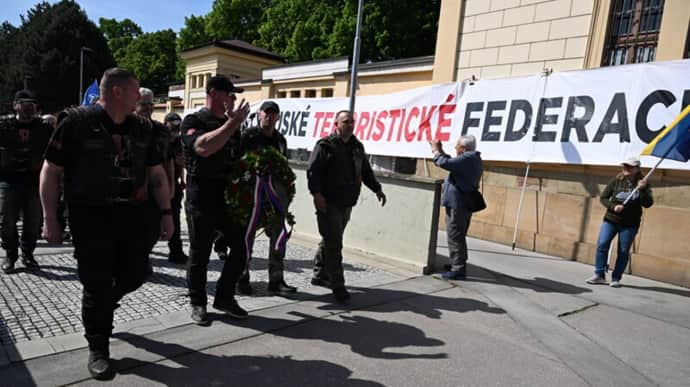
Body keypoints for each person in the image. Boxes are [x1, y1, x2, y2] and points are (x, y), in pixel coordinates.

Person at [40, 68, 173, 380]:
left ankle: (107, 302)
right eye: (135, 90)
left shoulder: (143, 128)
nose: (140, 96)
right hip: (90, 217)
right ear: (117, 92)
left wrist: (167, 214)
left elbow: (156, 175)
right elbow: (50, 169)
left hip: (133, 216)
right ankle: (98, 347)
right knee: (96, 283)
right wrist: (50, 219)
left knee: (139, 273)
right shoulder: (75, 123)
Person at [182, 75, 250, 325]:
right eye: (229, 93)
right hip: (201, 196)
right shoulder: (194, 120)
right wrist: (232, 125)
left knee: (240, 248)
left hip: (226, 197)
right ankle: (198, 302)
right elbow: (204, 147)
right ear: (213, 93)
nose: (233, 99)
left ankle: (224, 296)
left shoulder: (231, 125)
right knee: (200, 252)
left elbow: (237, 160)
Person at [307, 110, 386, 303]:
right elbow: (313, 171)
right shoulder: (325, 145)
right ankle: (338, 285)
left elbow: (365, 171)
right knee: (335, 243)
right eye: (345, 121)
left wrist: (377, 189)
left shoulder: (357, 146)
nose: (349, 124)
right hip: (329, 201)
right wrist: (317, 195)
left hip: (347, 201)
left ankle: (319, 274)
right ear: (336, 123)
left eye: (352, 121)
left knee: (331, 238)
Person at [237, 100, 296, 296]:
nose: (269, 117)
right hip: (250, 197)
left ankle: (276, 280)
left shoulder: (280, 140)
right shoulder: (248, 136)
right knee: (246, 239)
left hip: (274, 198)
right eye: (266, 113)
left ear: (278, 117)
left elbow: (284, 167)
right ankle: (242, 278)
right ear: (259, 114)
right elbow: (237, 163)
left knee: (279, 238)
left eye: (273, 114)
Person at [0, 90, 53, 273]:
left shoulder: (43, 128)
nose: (29, 108)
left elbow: (53, 151)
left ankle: (28, 253)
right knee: (7, 219)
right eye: (24, 104)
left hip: (34, 181)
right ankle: (10, 254)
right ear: (15, 105)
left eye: (32, 104)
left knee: (33, 221)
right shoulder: (4, 126)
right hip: (9, 179)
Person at [586, 156, 653, 288]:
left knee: (623, 251)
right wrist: (613, 207)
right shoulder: (617, 180)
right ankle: (599, 274)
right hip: (611, 220)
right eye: (625, 166)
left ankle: (616, 278)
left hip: (630, 224)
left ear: (637, 169)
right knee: (602, 244)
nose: (626, 168)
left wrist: (642, 190)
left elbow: (648, 204)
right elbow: (604, 197)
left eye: (630, 166)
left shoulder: (643, 184)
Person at [430, 135, 483, 280]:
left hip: (458, 204)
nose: (455, 148)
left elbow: (444, 163)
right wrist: (441, 150)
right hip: (461, 203)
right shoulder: (471, 158)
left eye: (457, 145)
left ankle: (458, 269)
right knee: (457, 235)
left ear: (463, 148)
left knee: (455, 235)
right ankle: (457, 263)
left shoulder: (467, 158)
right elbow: (451, 162)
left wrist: (435, 150)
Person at [135, 88, 174, 253]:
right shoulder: (128, 127)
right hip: (133, 190)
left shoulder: (161, 130)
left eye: (150, 104)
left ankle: (143, 256)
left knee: (152, 230)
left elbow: (168, 160)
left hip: (156, 189)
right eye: (143, 104)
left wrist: (171, 187)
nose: (148, 107)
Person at [163, 112, 188, 264]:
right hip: (159, 183)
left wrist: (182, 178)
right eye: (172, 129)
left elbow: (184, 161)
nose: (175, 132)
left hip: (175, 184)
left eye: (177, 129)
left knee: (175, 219)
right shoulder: (160, 140)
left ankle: (175, 251)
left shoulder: (180, 141)